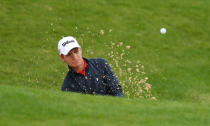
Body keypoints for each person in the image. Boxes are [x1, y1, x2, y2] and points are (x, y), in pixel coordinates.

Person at [58, 36, 124, 97]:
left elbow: (117, 91)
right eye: (69, 54)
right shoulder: (68, 87)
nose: (74, 57)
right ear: (62, 57)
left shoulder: (101, 64)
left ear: (80, 50)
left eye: (76, 51)